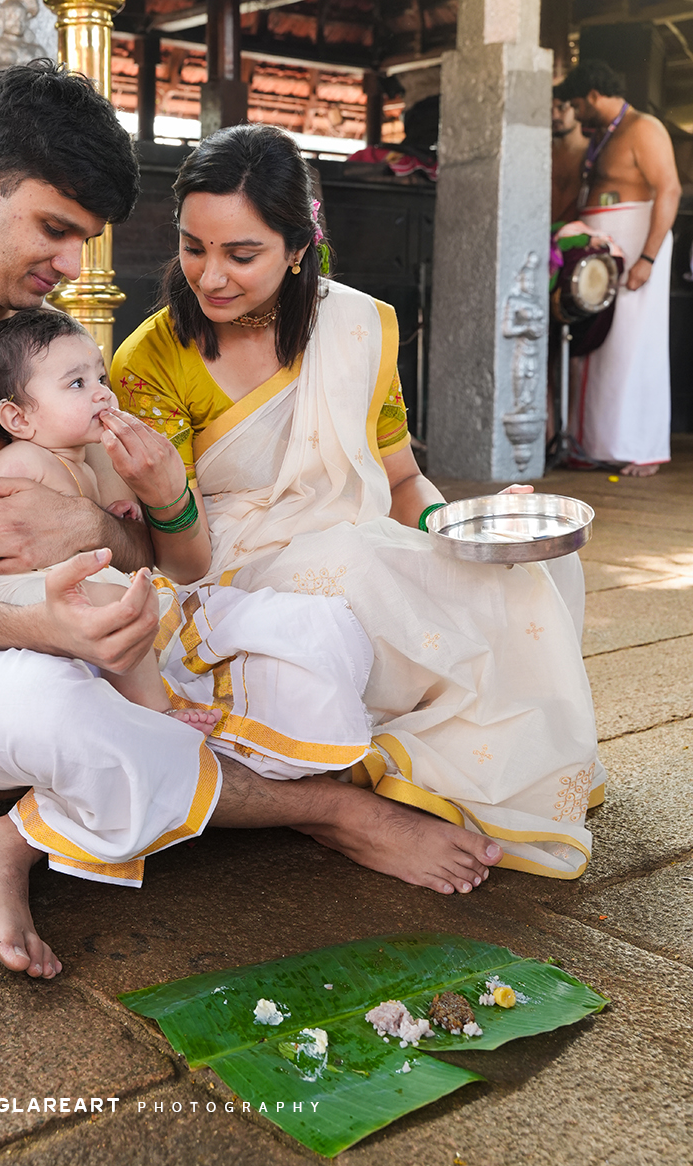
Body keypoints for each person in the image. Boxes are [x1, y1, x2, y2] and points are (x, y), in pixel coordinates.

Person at [0, 61, 503, 984]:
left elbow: (164, 560)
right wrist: (39, 626)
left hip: (71, 617)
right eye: (57, 230)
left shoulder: (54, 347)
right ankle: (327, 811)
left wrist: (122, 518)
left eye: (86, 239)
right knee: (55, 706)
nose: (72, 265)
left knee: (303, 630)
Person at [112, 122, 603, 883]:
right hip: (228, 564)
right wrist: (164, 498)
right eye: (192, 246)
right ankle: (378, 788)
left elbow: (401, 479)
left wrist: (457, 528)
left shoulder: (361, 327)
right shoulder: (151, 358)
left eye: (242, 255)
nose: (211, 276)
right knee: (366, 568)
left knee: (526, 572)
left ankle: (454, 771)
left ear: (299, 247)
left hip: (357, 533)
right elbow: (182, 559)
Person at [0, 307, 215, 733]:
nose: (103, 395)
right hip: (14, 591)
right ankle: (155, 713)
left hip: (60, 580)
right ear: (19, 418)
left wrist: (113, 514)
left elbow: (79, 530)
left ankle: (134, 698)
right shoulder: (21, 461)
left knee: (139, 595)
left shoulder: (86, 463)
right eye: (78, 383)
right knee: (116, 602)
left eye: (102, 379)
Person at [555, 60, 680, 476]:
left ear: (593, 95)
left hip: (638, 244)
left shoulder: (644, 127)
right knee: (597, 348)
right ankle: (596, 445)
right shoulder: (601, 135)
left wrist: (647, 257)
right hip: (603, 247)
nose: (575, 113)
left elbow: (670, 189)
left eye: (577, 104)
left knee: (633, 348)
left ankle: (641, 449)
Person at [551, 92, 589, 224]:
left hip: (579, 238)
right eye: (549, 109)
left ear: (577, 109)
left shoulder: (595, 152)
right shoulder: (536, 154)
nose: (554, 116)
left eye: (562, 108)